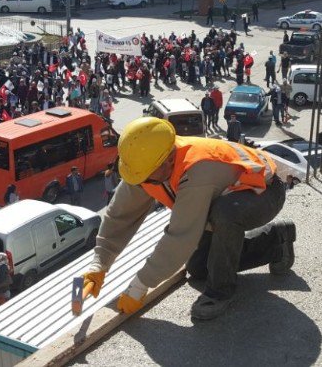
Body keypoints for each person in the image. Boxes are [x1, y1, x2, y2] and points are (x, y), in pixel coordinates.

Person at [78, 118, 295, 321]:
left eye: (146, 177)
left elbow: (181, 236)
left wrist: (139, 286)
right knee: (199, 268)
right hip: (223, 196)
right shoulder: (146, 164)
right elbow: (119, 216)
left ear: (169, 160)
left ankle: (221, 292)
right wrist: (100, 264)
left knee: (225, 214)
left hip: (264, 193)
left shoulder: (196, 169)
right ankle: (275, 242)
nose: (143, 183)